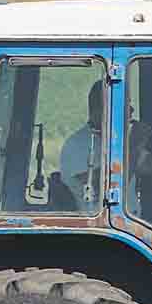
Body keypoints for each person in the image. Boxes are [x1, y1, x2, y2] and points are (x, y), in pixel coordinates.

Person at [56, 81, 102, 209]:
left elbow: (147, 165)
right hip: (93, 223)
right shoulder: (76, 145)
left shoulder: (116, 143)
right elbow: (96, 183)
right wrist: (132, 149)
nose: (131, 110)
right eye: (126, 104)